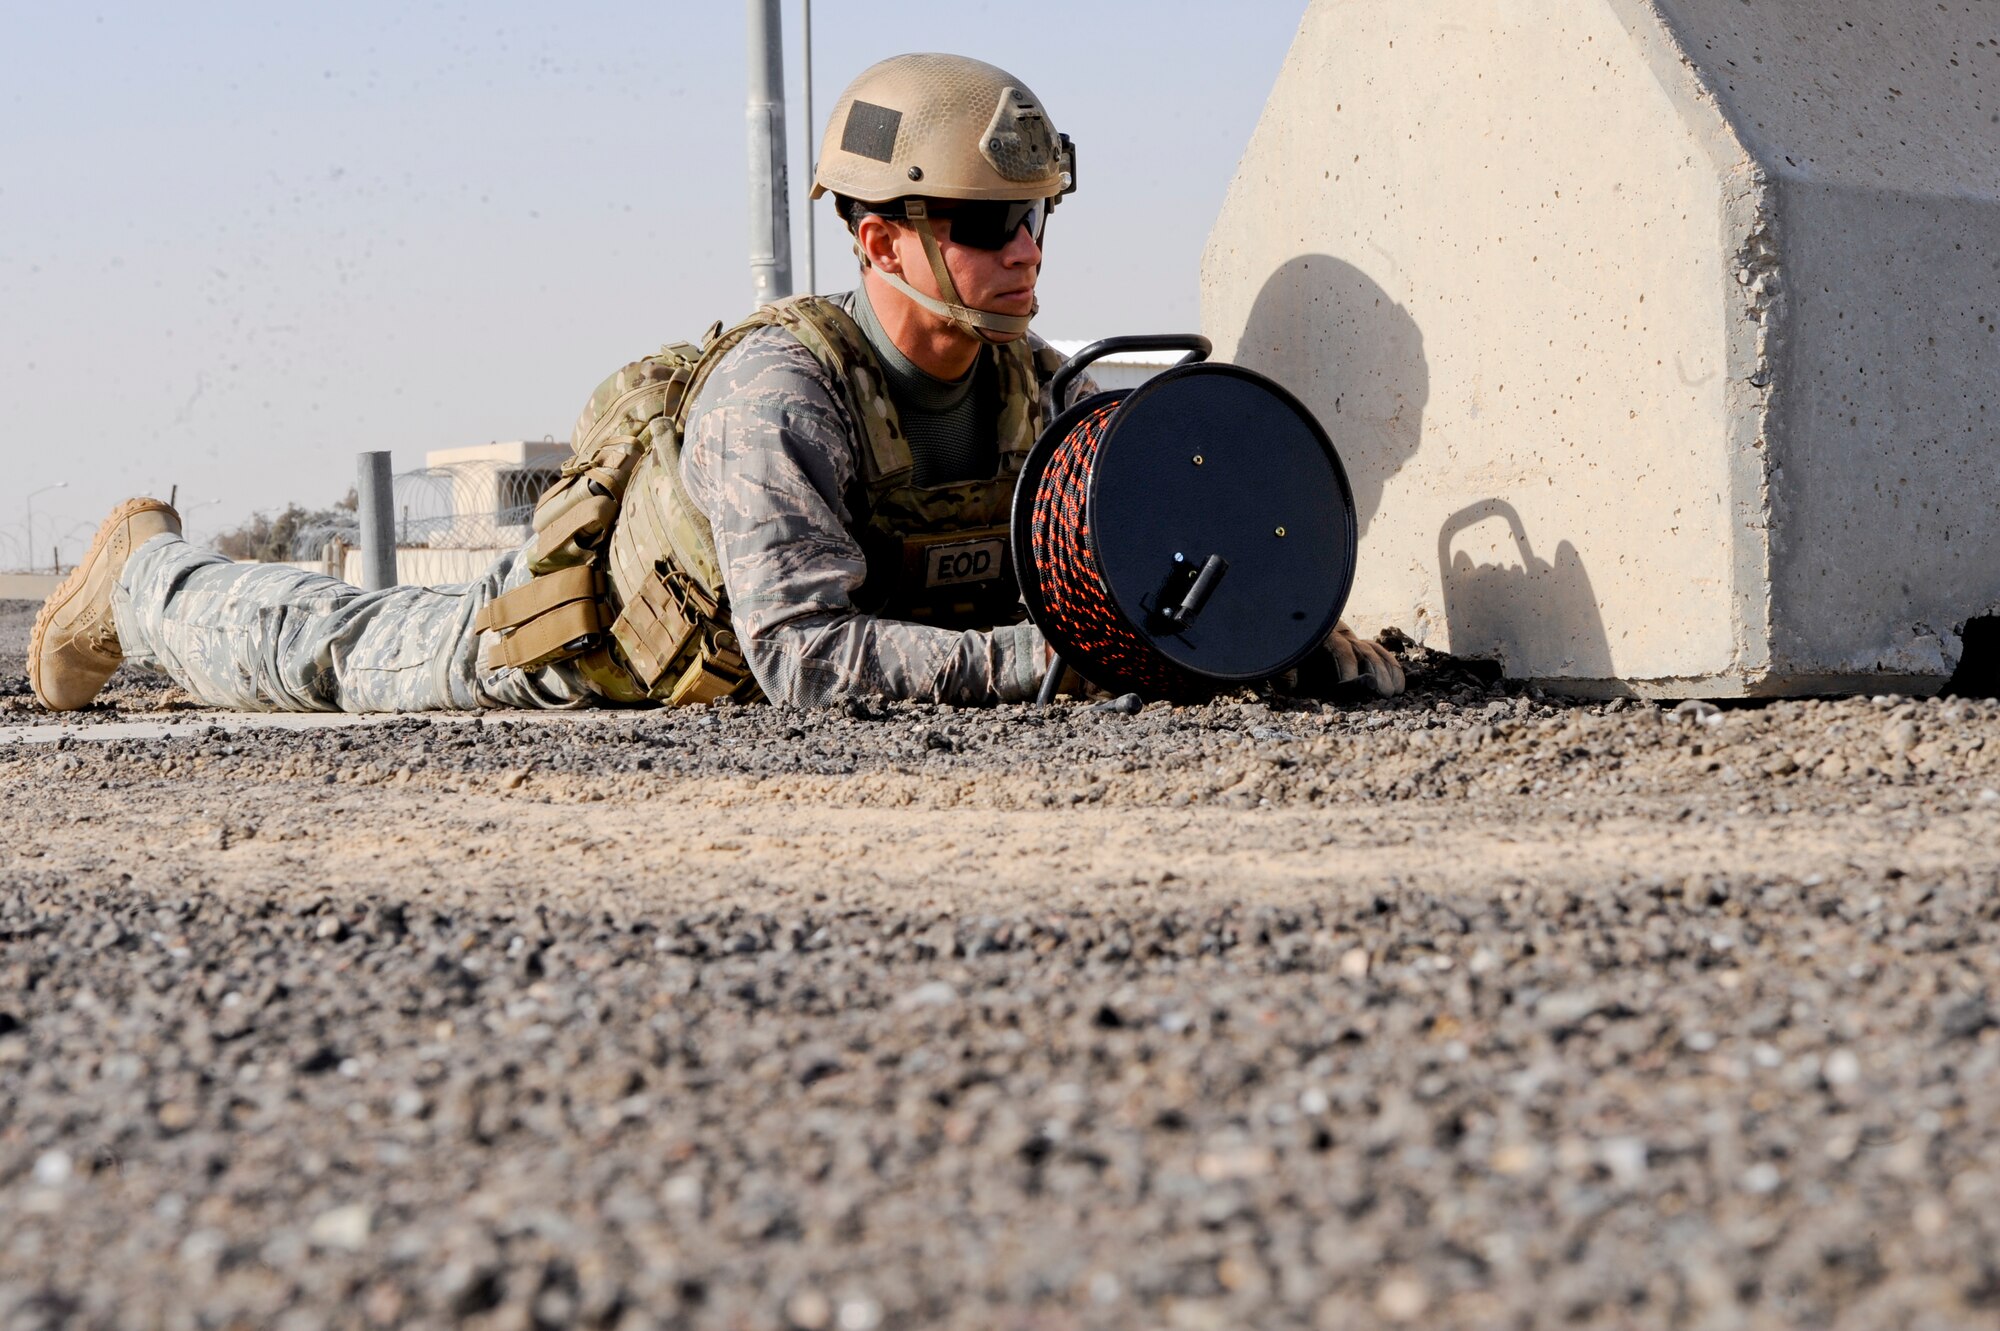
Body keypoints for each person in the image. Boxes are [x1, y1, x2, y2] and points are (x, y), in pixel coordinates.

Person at [29, 53, 1403, 716]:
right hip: (588, 656)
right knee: (327, 651)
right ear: (883, 239)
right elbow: (805, 659)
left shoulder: (1034, 393)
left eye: (1037, 219)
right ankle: (141, 580)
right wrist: (1060, 667)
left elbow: (1126, 571)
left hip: (719, 670)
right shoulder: (783, 398)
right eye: (987, 225)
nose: (1025, 250)